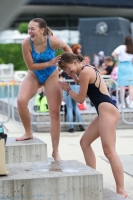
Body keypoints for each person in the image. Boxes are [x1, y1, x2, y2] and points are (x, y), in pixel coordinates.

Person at [58, 53, 128, 198]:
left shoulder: (84, 72)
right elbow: (90, 89)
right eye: (65, 70)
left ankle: (121, 190)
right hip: (105, 110)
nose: (68, 72)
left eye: (68, 68)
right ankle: (92, 179)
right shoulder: (86, 69)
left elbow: (80, 99)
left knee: (109, 152)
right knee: (84, 142)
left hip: (107, 111)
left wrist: (67, 89)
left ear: (74, 61)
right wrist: (74, 78)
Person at [16, 18, 72, 161]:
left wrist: (71, 64)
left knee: (55, 113)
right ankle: (28, 132)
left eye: (32, 28)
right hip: (34, 74)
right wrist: (48, 62)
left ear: (42, 30)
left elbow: (66, 47)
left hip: (51, 74)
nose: (29, 31)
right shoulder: (26, 43)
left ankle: (55, 152)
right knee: (21, 101)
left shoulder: (52, 41)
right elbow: (31, 67)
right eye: (28, 28)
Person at [112, 36, 133, 108]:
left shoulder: (121, 47)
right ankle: (131, 103)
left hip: (122, 66)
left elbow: (113, 54)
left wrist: (117, 59)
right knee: (131, 86)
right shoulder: (132, 47)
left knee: (122, 86)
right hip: (130, 66)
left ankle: (123, 103)